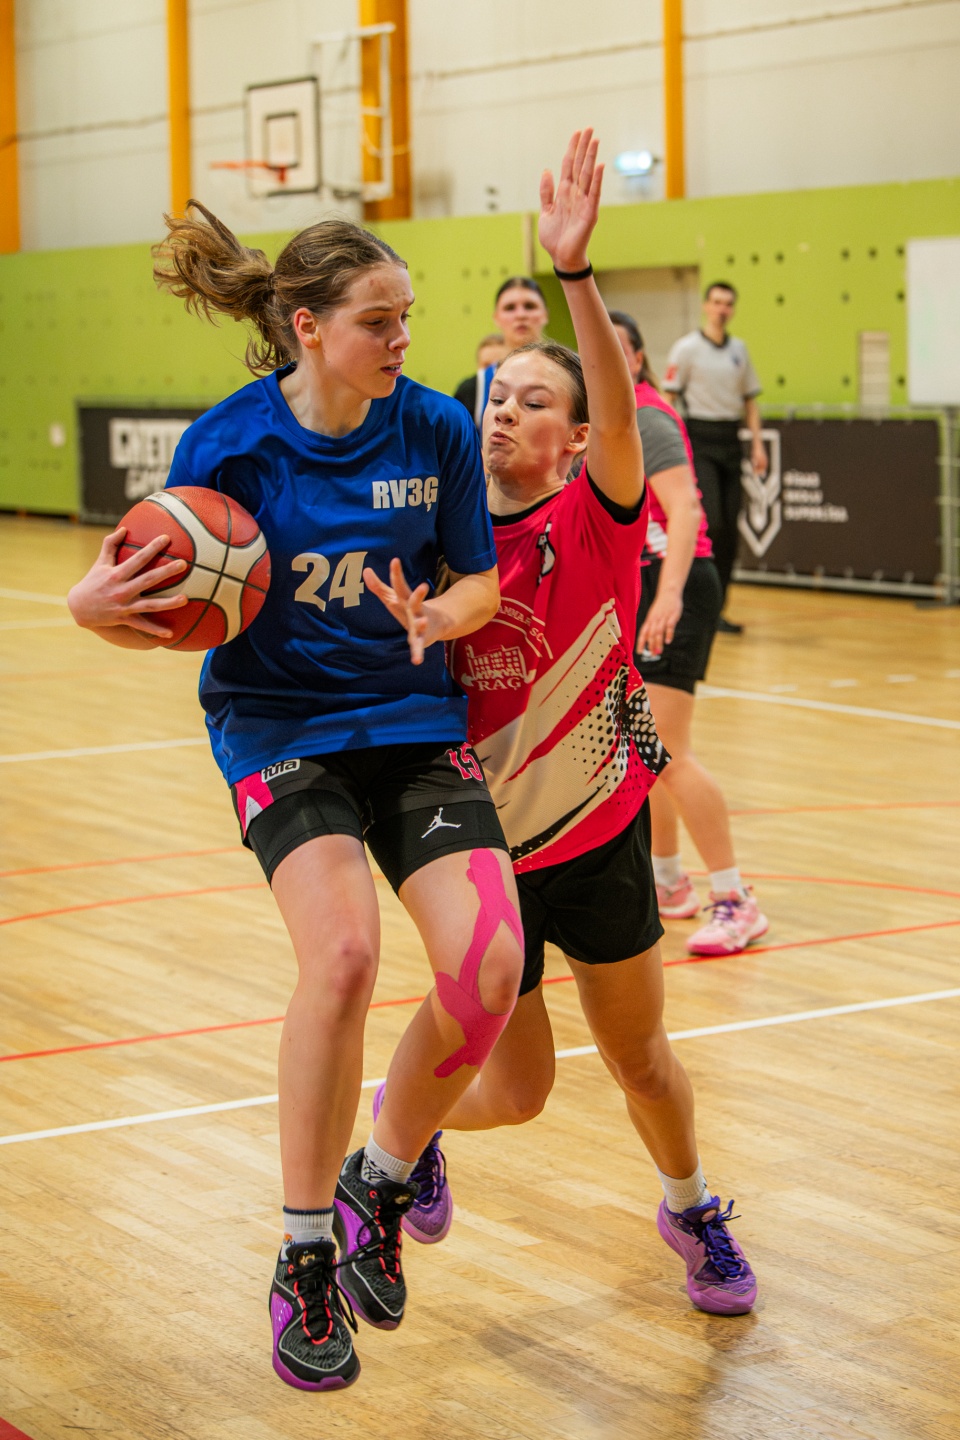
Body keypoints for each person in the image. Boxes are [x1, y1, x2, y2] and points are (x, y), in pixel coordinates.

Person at [65, 205, 525, 1393]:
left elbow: (477, 583)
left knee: (490, 970)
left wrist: (439, 613)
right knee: (345, 959)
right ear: (308, 328)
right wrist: (89, 608)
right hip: (279, 731)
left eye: (408, 317)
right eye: (379, 321)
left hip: (412, 724)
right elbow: (142, 600)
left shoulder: (434, 427)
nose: (403, 340)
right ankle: (305, 1253)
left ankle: (384, 1174)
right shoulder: (226, 449)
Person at [380, 131, 757, 1318]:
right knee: (519, 1092)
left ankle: (691, 1207)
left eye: (534, 401)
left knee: (642, 1060)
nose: (505, 413)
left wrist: (574, 272)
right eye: (497, 397)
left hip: (596, 842)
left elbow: (613, 405)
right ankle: (409, 1132)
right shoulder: (436, 540)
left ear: (580, 436)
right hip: (483, 854)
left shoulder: (597, 514)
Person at [610, 310, 769, 955]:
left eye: (615, 349)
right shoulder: (605, 422)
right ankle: (669, 882)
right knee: (643, 748)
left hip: (674, 584)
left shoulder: (647, 419)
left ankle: (735, 900)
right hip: (640, 588)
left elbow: (684, 509)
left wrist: (669, 595)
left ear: (638, 359)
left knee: (668, 750)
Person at [663, 281, 767, 634]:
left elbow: (750, 401)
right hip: (699, 441)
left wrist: (757, 445)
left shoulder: (739, 350)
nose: (722, 309)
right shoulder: (686, 349)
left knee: (729, 533)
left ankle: (718, 609)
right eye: (717, 302)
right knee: (712, 523)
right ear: (706, 305)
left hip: (730, 440)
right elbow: (669, 398)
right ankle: (691, 603)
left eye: (728, 303)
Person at [453, 277, 549, 427]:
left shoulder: (573, 378)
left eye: (529, 306)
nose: (520, 315)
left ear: (545, 314)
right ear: (496, 318)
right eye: (510, 308)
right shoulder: (473, 389)